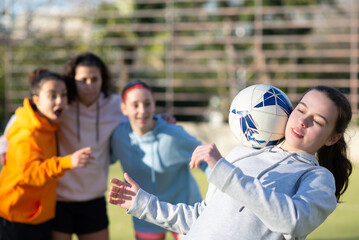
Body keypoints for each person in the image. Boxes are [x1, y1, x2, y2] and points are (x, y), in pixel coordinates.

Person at [108, 85, 353, 240]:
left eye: (318, 121)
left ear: (332, 137)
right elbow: (200, 218)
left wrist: (225, 172)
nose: (303, 122)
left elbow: (293, 223)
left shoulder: (318, 179)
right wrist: (143, 203)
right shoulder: (241, 153)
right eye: (301, 110)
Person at [110, 80, 210, 240]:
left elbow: (207, 159)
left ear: (154, 105)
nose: (142, 111)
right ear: (124, 108)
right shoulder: (118, 136)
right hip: (145, 215)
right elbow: (105, 158)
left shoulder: (173, 134)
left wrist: (219, 194)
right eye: (135, 105)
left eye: (147, 104)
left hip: (184, 213)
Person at [0, 68, 92, 240]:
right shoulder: (26, 133)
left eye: (63, 95)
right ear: (36, 100)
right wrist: (68, 162)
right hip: (17, 219)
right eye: (52, 96)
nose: (60, 101)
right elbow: (31, 173)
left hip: (37, 217)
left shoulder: (48, 124)